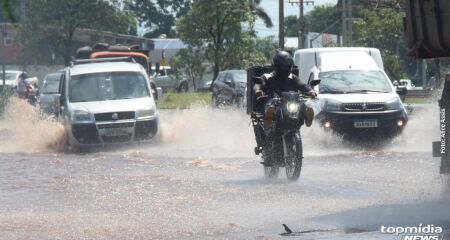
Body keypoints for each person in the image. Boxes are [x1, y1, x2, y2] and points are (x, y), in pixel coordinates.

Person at [252, 50, 316, 148]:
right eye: (283, 66)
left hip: (288, 106)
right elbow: (258, 84)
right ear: (276, 66)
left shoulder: (292, 77)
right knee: (269, 104)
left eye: (288, 66)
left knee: (303, 103)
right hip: (273, 102)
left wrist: (310, 91)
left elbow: (302, 85)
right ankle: (269, 119)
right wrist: (258, 91)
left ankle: (308, 115)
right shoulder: (267, 76)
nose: (285, 69)